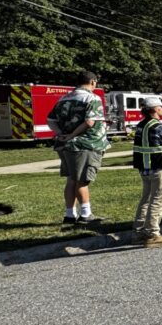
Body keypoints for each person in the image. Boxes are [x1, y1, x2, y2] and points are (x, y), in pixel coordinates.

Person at [47, 70, 110, 225]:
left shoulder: (64, 98)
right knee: (82, 181)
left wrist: (62, 134)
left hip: (66, 146)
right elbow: (90, 122)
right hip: (86, 144)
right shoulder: (92, 98)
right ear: (93, 81)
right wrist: (72, 135)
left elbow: (50, 120)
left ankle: (70, 215)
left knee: (71, 180)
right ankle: (86, 215)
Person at [132, 95, 162, 246]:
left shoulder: (141, 125)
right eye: (161, 107)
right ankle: (153, 234)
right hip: (161, 168)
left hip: (145, 169)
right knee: (159, 201)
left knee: (146, 200)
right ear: (154, 110)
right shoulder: (159, 126)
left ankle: (139, 232)